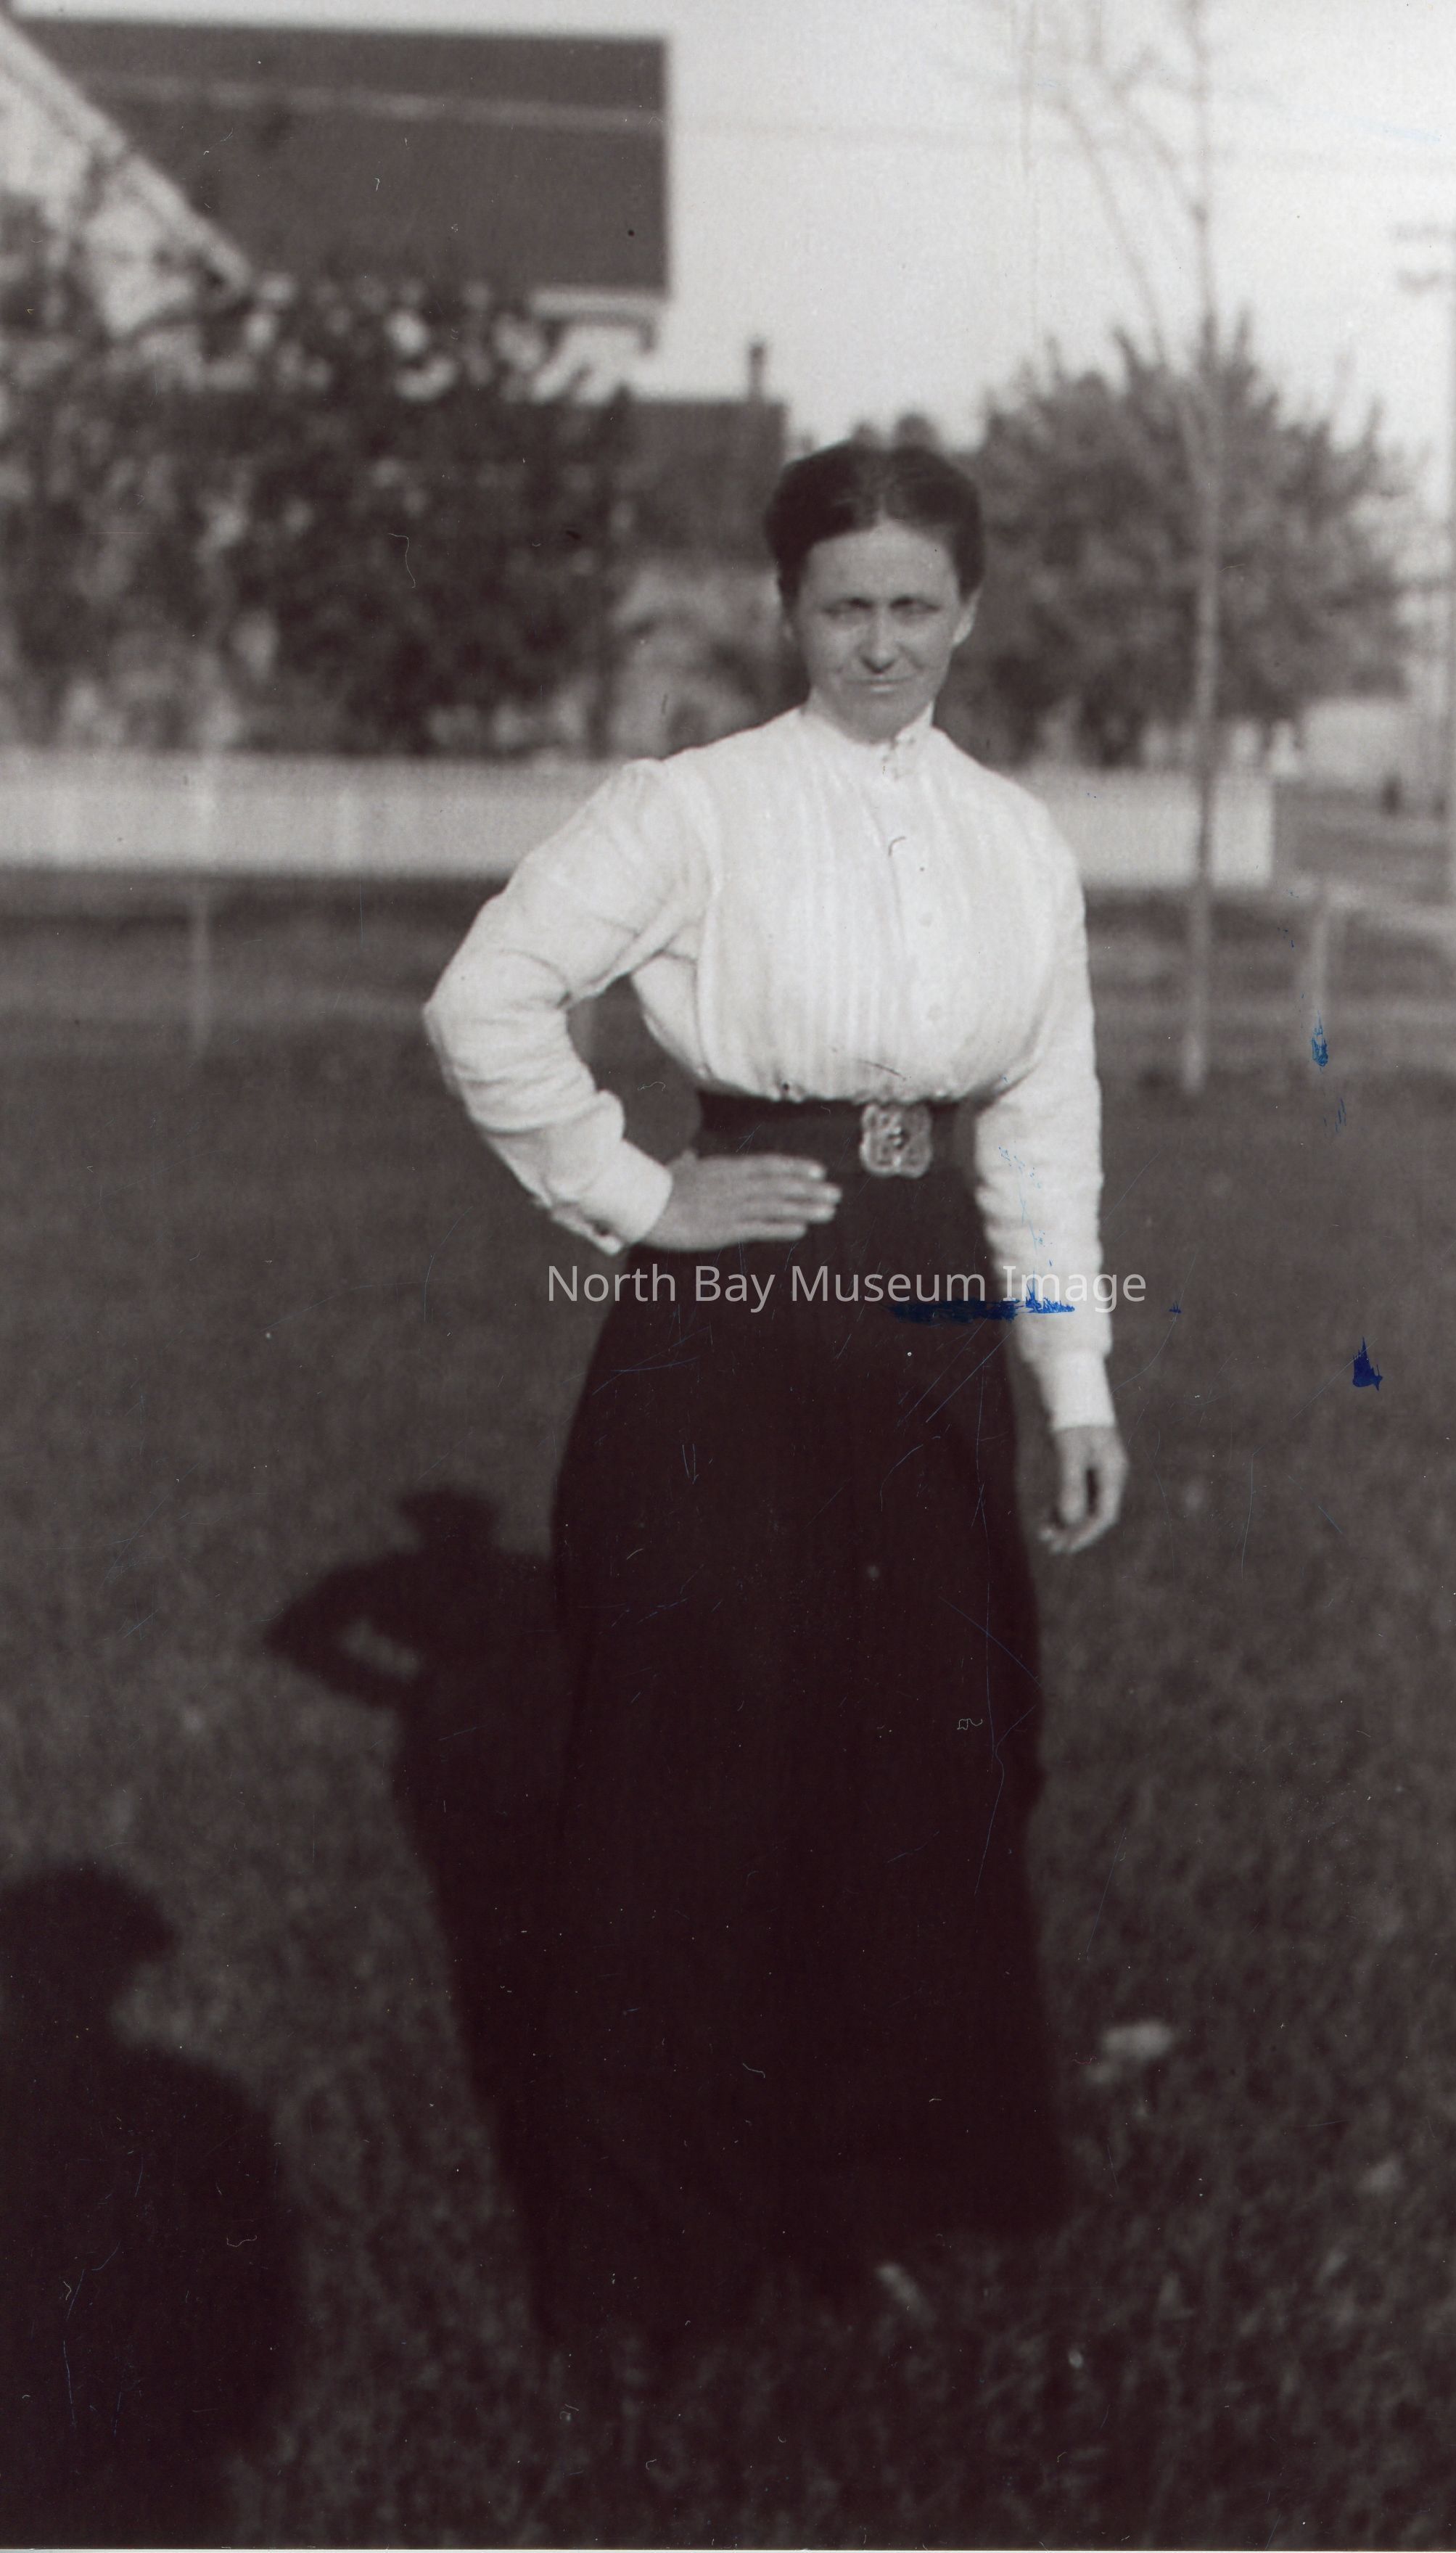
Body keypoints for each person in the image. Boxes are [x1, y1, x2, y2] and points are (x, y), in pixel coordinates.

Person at [423, 441, 1128, 2388]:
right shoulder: (693, 808)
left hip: (927, 1317)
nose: (880, 644)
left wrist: (1072, 1374)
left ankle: (865, 2199)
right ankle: (651, 2261)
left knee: (922, 1774)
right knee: (690, 1782)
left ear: (968, 612)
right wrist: (643, 1196)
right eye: (844, 607)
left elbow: (1043, 1125)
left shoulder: (1018, 842)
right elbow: (483, 1003)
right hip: (730, 1325)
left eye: (915, 607)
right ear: (787, 610)